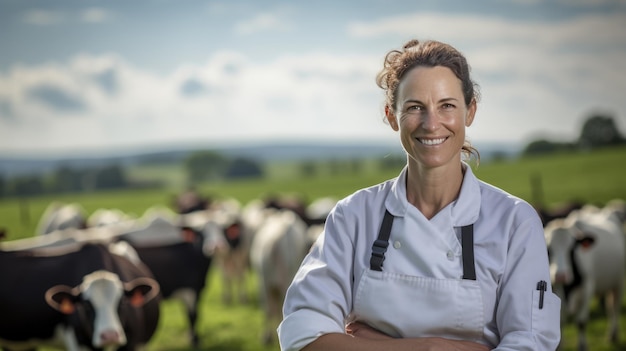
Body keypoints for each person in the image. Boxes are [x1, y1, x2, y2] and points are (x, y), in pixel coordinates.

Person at [277, 38, 561, 351]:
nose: (431, 124)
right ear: (391, 115)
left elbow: (532, 343)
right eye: (414, 107)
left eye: (447, 106)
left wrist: (364, 344)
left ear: (470, 111)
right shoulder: (354, 215)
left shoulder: (514, 222)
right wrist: (435, 347)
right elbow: (302, 336)